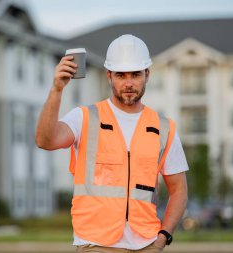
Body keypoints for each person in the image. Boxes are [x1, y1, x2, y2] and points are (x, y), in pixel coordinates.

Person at [35, 34, 188, 253]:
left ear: (147, 74)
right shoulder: (84, 118)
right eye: (120, 75)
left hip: (147, 244)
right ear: (109, 76)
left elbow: (179, 190)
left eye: (135, 74)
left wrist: (163, 237)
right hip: (96, 244)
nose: (128, 83)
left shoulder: (164, 128)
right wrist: (57, 90)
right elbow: (45, 140)